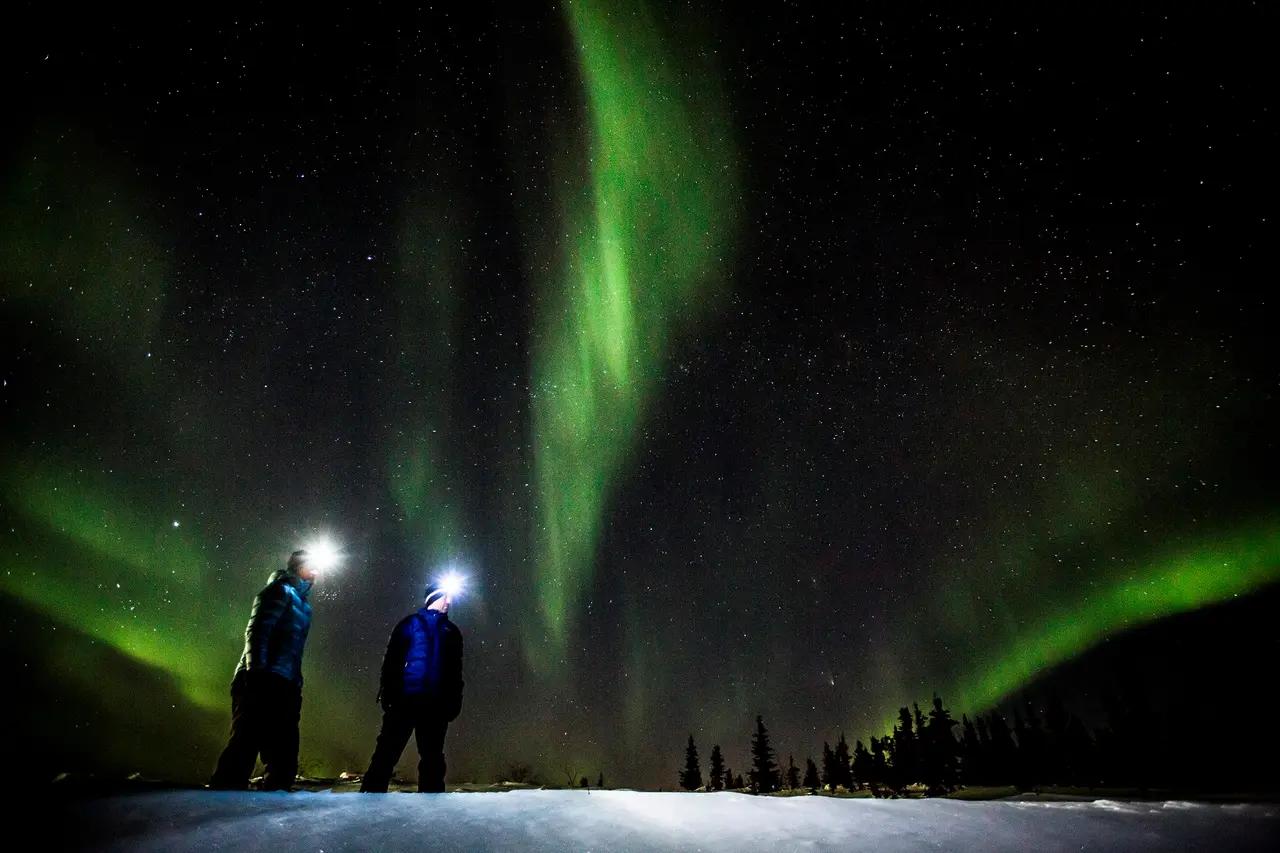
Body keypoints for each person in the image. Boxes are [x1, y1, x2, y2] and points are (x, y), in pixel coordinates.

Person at [209, 549, 318, 791]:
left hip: (286, 683)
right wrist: (255, 672)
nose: (317, 572)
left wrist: (295, 682)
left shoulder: (305, 607)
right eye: (312, 565)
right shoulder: (278, 591)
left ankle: (274, 807)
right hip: (261, 677)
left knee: (285, 750)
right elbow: (258, 631)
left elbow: (293, 648)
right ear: (298, 566)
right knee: (245, 741)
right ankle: (221, 802)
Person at [360, 580, 464, 793]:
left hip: (435, 705)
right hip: (404, 700)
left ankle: (432, 809)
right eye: (446, 596)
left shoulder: (451, 631)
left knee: (433, 759)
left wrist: (453, 702)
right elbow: (392, 661)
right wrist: (389, 694)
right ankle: (369, 803)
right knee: (386, 753)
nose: (450, 601)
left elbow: (455, 671)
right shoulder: (409, 625)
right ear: (435, 597)